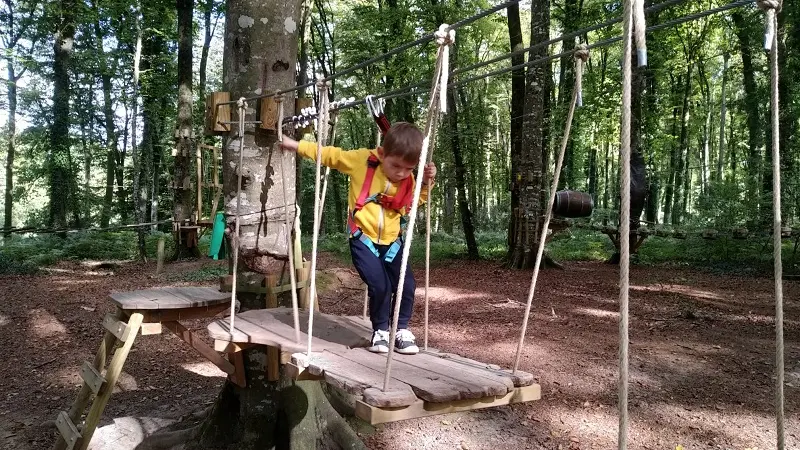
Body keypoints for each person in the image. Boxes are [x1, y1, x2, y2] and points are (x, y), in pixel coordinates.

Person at [281, 122, 436, 354]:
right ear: (382, 154)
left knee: (407, 285)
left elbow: (411, 204)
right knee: (380, 285)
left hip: (392, 242)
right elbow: (330, 155)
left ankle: (401, 329)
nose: (401, 173)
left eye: (408, 169)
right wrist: (294, 145)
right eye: (396, 166)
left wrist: (424, 183)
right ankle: (381, 331)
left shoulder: (408, 178)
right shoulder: (362, 161)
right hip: (363, 239)